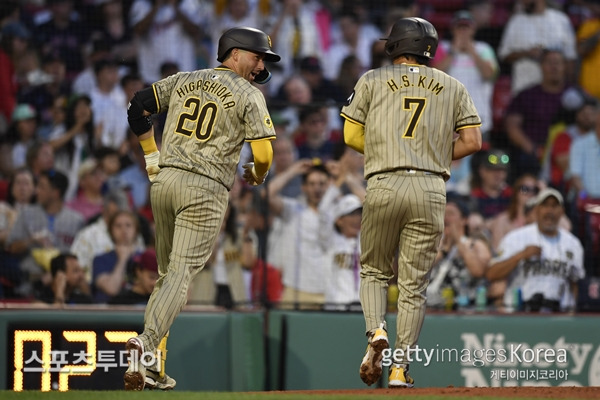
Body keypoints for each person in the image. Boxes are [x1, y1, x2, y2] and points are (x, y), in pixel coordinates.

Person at [123, 26, 280, 391]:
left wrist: (151, 156)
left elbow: (137, 106)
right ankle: (143, 344)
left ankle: (155, 365)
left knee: (166, 278)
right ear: (235, 53)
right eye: (256, 57)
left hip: (165, 182)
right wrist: (257, 174)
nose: (260, 66)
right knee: (179, 275)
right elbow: (264, 154)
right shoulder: (248, 93)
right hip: (205, 188)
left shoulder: (185, 79)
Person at [340, 17, 482, 388]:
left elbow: (350, 132)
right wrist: (431, 154)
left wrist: (390, 148)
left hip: (385, 181)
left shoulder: (372, 78)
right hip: (431, 188)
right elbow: (472, 142)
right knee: (414, 285)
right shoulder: (452, 84)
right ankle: (401, 369)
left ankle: (375, 332)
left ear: (395, 45)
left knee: (373, 270)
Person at [486, 188, 585, 313]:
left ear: (562, 212)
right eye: (545, 205)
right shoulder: (516, 238)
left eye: (554, 206)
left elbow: (575, 284)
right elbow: (491, 274)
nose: (549, 211)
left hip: (559, 315)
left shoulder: (573, 244)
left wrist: (572, 313)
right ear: (537, 210)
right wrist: (520, 256)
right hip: (521, 313)